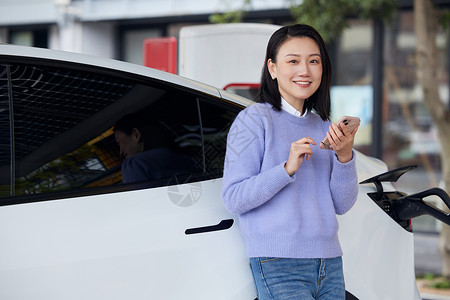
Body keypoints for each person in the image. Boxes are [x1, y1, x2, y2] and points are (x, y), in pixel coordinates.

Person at [221, 24, 359, 300]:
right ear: (272, 68)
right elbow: (233, 198)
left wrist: (345, 156)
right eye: (293, 61)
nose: (304, 71)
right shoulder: (253, 120)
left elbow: (341, 204)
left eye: (313, 61)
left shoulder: (323, 126)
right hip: (279, 262)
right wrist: (286, 168)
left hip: (329, 261)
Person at [114, 113, 199, 184]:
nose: (121, 151)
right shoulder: (186, 159)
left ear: (136, 134)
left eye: (119, 142)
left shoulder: (134, 164)